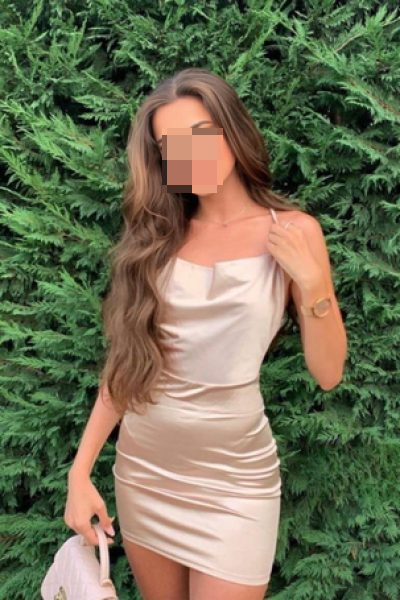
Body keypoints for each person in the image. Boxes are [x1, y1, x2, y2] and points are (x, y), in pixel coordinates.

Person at [64, 67, 347, 600]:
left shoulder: (294, 233)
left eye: (200, 134)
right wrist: (79, 474)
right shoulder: (157, 238)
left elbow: (328, 373)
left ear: (231, 130)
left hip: (236, 482)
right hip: (145, 472)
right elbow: (126, 367)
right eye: (172, 146)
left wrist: (312, 284)